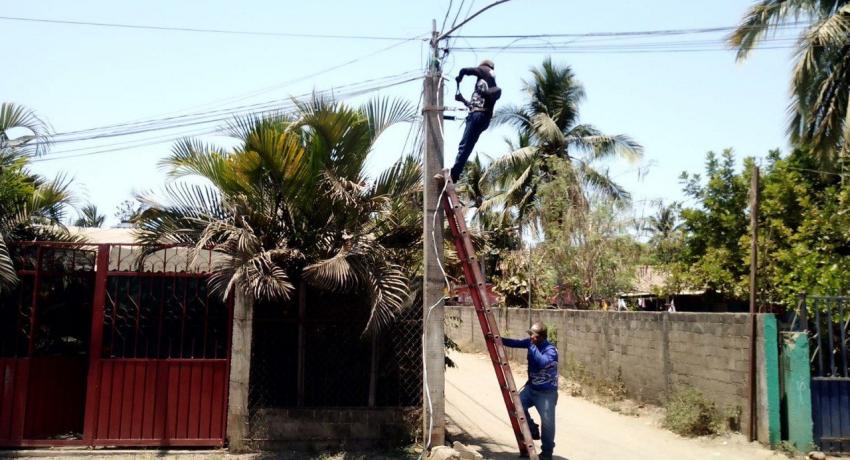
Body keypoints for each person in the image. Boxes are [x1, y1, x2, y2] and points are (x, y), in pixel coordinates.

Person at [502, 322, 559, 459]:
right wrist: (498, 339)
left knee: (548, 424)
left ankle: (547, 453)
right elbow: (515, 343)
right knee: (517, 407)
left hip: (546, 393)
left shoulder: (551, 350)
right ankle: (532, 428)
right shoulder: (531, 343)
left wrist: (532, 346)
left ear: (540, 337)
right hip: (531, 389)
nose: (530, 337)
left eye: (532, 335)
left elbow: (542, 363)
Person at [451, 59, 502, 182]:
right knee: (467, 146)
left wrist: (460, 76)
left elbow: (466, 70)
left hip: (477, 116)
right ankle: (455, 174)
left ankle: (453, 175)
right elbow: (476, 104)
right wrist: (462, 99)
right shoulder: (488, 85)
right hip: (483, 117)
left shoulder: (484, 70)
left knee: (464, 146)